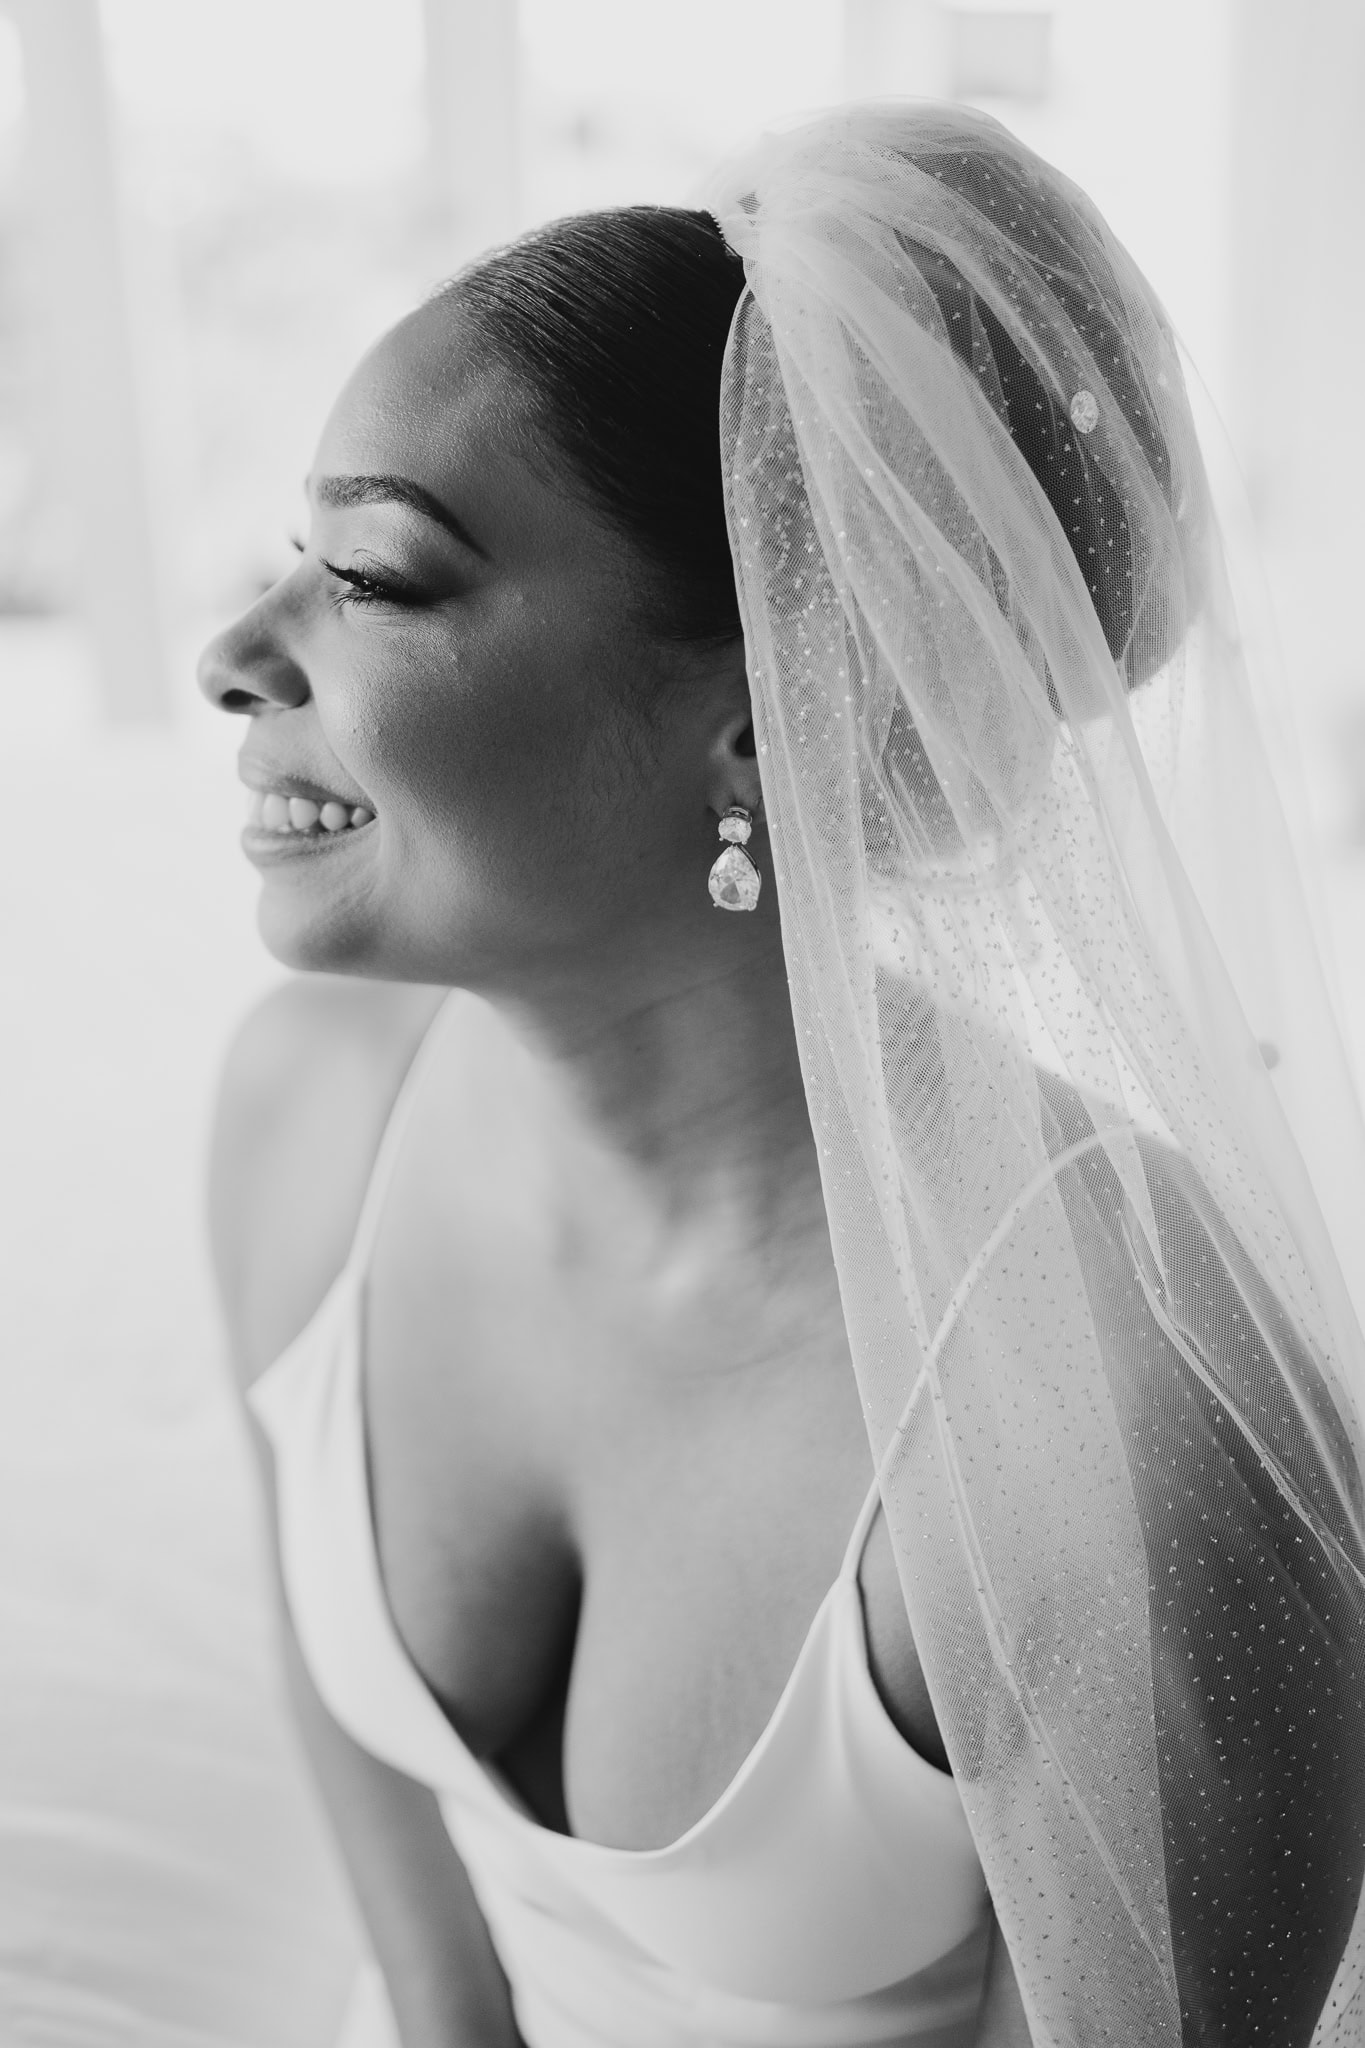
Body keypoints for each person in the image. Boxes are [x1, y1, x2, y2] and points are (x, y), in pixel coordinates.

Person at [199, 101, 1365, 2048]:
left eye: (379, 578)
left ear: (761, 723)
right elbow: (407, 1883)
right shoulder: (309, 1107)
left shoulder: (1124, 1435)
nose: (238, 651)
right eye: (288, 557)